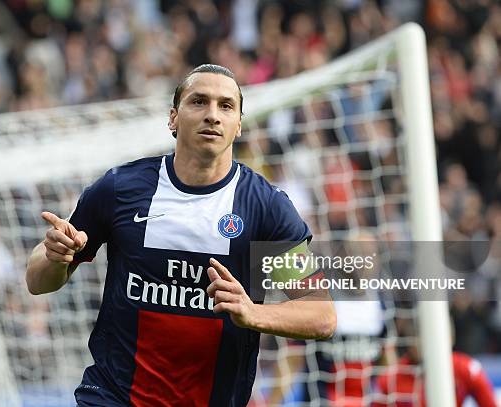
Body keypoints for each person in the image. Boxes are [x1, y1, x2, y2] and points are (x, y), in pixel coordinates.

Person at [25, 64, 336, 406]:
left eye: (226, 106)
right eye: (199, 102)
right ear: (173, 118)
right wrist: (55, 257)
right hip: (113, 397)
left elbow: (320, 315)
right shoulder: (120, 188)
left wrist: (253, 313)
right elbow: (38, 281)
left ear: (239, 127)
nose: (213, 115)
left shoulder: (265, 207)